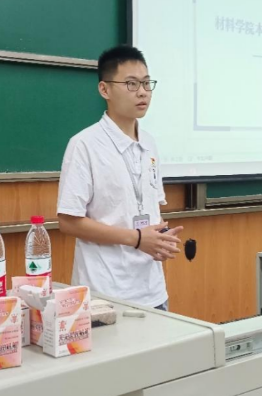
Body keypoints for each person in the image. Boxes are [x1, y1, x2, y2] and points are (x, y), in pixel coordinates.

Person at [57, 45, 183, 310]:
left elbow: (146, 210)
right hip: (105, 294)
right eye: (131, 84)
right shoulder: (85, 144)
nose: (142, 92)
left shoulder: (150, 143)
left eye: (146, 83)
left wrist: (160, 238)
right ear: (105, 90)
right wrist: (136, 238)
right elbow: (68, 222)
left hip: (153, 291)